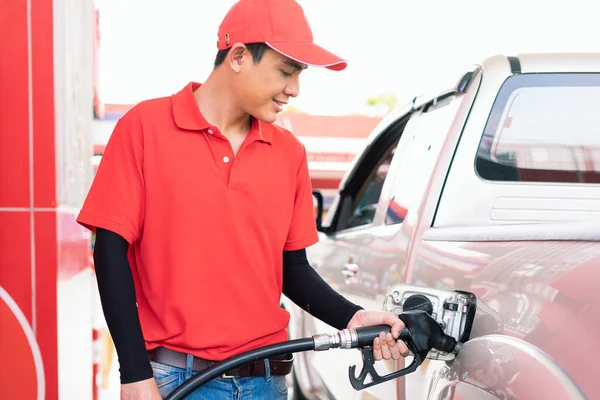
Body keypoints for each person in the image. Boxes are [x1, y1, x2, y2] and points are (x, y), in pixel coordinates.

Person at [77, 0, 409, 398]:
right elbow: (110, 252)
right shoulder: (144, 128)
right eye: (286, 71)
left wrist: (353, 317)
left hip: (266, 381)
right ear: (237, 56)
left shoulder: (288, 153)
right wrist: (133, 373)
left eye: (300, 75)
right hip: (175, 380)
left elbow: (292, 269)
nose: (294, 89)